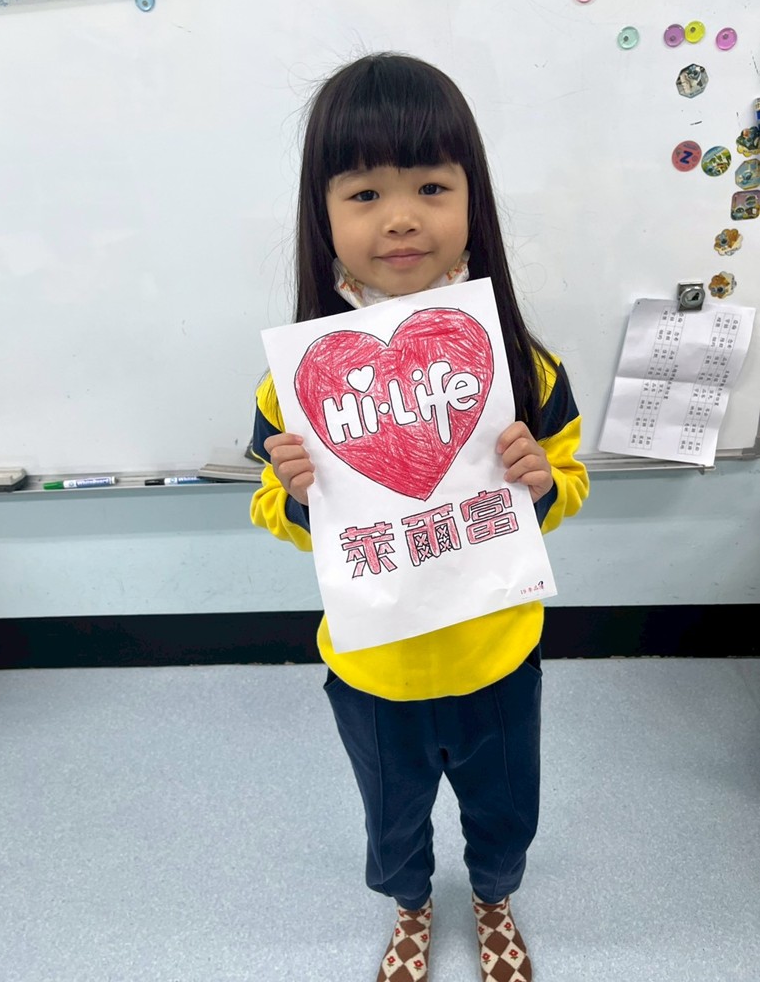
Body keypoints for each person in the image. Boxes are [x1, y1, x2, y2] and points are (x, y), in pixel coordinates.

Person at [250, 53, 589, 982]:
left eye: (431, 187)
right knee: (391, 818)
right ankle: (410, 906)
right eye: (364, 193)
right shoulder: (294, 386)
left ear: (472, 200)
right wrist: (297, 496)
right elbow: (269, 506)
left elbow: (567, 479)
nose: (400, 217)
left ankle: (493, 897)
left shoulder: (524, 366)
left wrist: (539, 483)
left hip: (496, 654)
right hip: (373, 664)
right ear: (322, 216)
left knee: (503, 810)